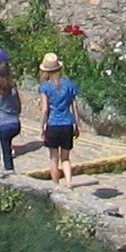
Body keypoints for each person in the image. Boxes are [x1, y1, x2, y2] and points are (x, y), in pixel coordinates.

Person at [35, 51, 81, 183]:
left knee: (53, 158)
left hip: (53, 125)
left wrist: (42, 127)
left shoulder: (45, 87)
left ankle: (56, 185)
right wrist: (77, 125)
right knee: (65, 158)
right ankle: (69, 182)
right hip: (67, 124)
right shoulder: (70, 85)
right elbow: (75, 108)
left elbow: (45, 109)